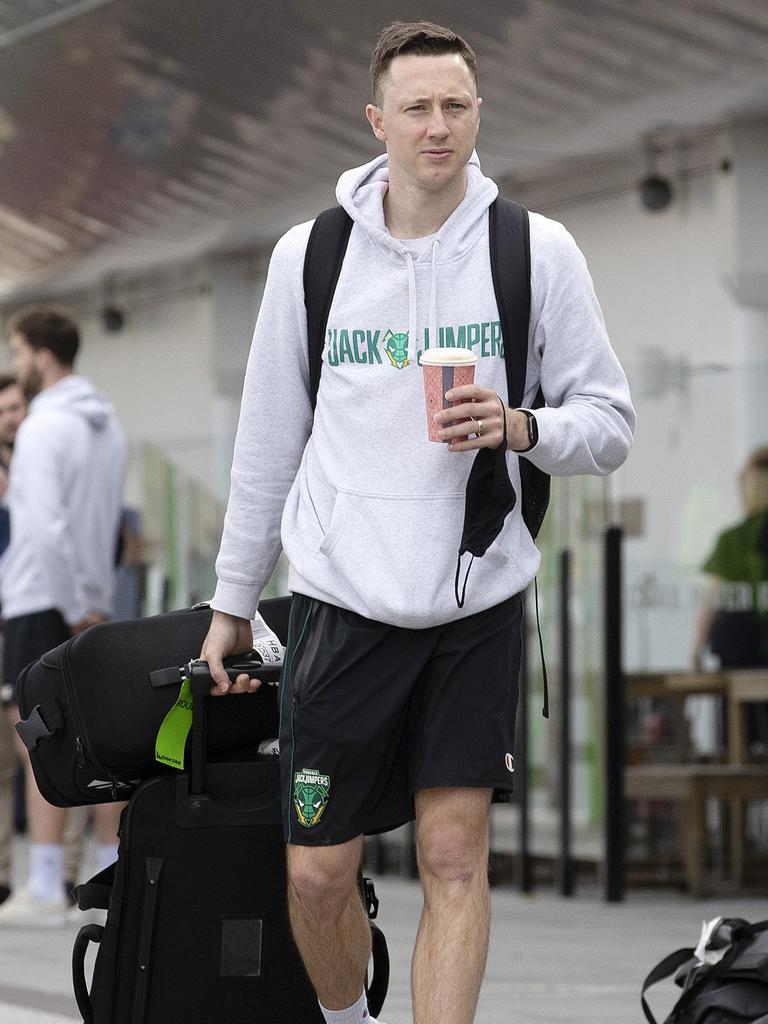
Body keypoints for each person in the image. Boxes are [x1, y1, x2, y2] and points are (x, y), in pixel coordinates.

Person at [201, 21, 635, 1024]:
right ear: (376, 120)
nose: (438, 126)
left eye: (456, 106)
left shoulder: (537, 251)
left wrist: (522, 423)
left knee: (453, 853)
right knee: (316, 872)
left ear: (478, 115)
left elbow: (607, 424)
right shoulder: (309, 259)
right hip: (342, 601)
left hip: (476, 594)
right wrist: (231, 600)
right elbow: (268, 441)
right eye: (417, 108)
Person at [0, 308, 127, 927]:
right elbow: (104, 523)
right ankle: (110, 871)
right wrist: (94, 603)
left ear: (44, 355)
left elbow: (45, 530)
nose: (16, 364)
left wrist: (72, 605)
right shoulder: (108, 425)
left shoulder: (45, 428)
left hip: (42, 601)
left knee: (37, 744)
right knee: (102, 740)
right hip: (90, 603)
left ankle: (46, 883)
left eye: (18, 352)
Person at [692, 446, 768, 755]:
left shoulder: (733, 539)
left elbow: (711, 602)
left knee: (739, 745)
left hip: (738, 655)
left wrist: (695, 649)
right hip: (751, 651)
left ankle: (737, 803)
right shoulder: (734, 539)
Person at [0, 374, 27, 904]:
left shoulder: (44, 461)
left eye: (17, 407)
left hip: (29, 618)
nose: (12, 417)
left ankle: (60, 871)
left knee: (33, 744)